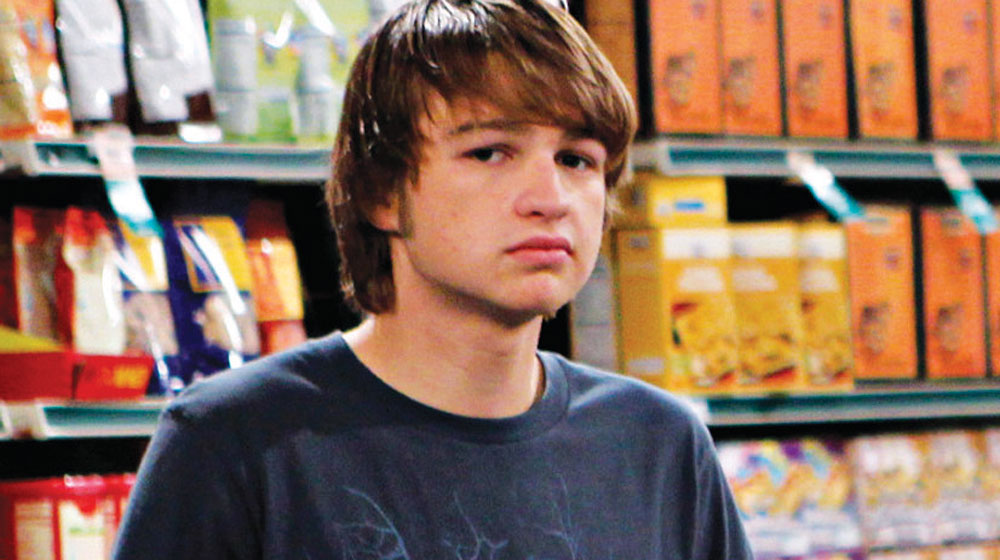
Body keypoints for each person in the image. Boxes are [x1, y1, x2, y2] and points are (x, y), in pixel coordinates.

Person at [113, 1, 754, 558]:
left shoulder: (661, 447)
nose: (550, 198)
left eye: (576, 159)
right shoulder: (235, 443)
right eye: (489, 152)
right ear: (381, 192)